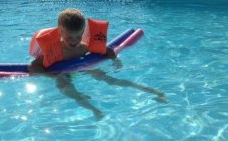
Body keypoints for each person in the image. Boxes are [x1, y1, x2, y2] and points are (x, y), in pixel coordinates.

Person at [28, 8, 166, 120]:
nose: (73, 41)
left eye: (78, 36)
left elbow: (108, 51)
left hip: (84, 68)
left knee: (111, 80)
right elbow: (33, 66)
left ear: (83, 32)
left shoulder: (83, 47)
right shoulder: (55, 50)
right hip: (62, 73)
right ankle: (95, 110)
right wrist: (51, 75)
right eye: (69, 37)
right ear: (60, 32)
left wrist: (115, 60)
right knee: (64, 86)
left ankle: (152, 91)